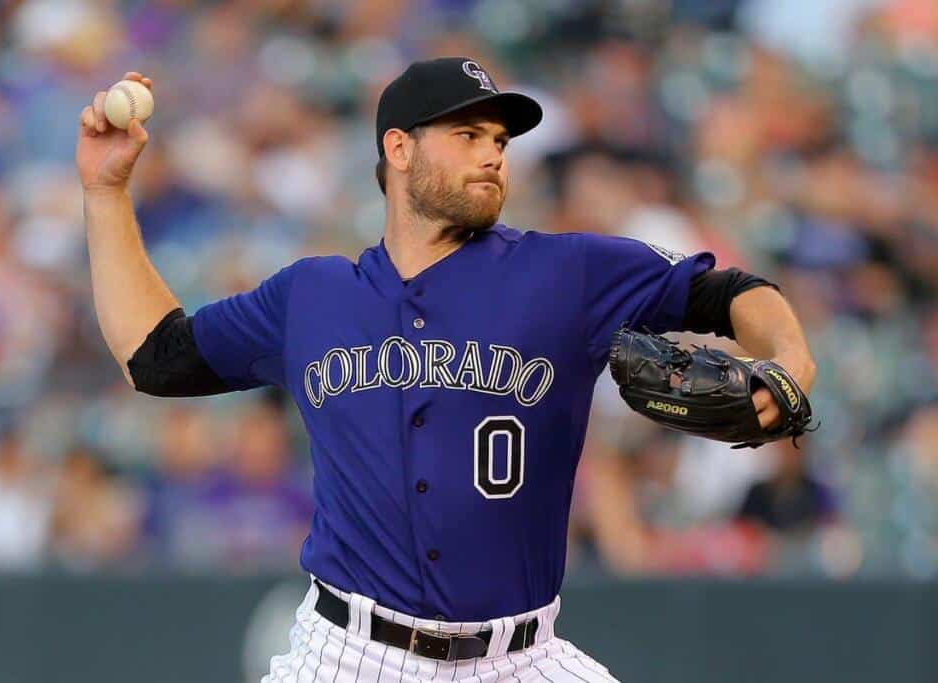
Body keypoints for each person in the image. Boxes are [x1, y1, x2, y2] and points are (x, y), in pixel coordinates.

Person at [76, 60, 816, 682]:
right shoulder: (312, 297)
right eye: (467, 135)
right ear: (399, 149)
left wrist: (791, 358)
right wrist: (105, 193)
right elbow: (157, 358)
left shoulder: (565, 272)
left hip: (521, 658)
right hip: (348, 655)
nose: (493, 154)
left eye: (499, 139)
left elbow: (728, 292)